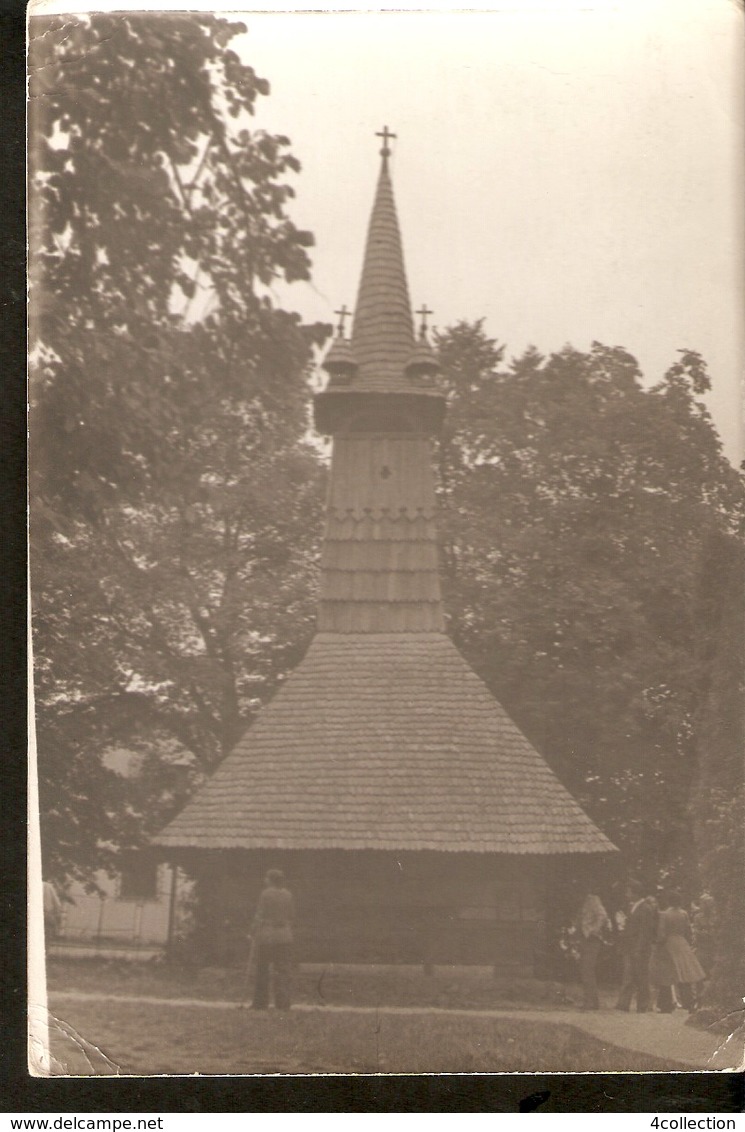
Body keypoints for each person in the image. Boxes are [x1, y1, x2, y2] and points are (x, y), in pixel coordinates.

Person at [653, 890, 706, 1012]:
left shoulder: (664, 914)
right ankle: (690, 1003)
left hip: (668, 944)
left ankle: (666, 1005)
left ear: (668, 901)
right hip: (682, 944)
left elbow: (661, 934)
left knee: (666, 976)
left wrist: (658, 944)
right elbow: (688, 931)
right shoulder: (684, 913)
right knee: (684, 974)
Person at [250, 868, 295, 1011]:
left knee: (262, 969)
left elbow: (260, 914)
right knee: (282, 970)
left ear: (270, 880)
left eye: (266, 878)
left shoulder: (266, 894)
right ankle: (283, 1004)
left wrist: (253, 930)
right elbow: (291, 915)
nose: (265, 880)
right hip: (284, 937)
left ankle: (260, 1003)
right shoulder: (288, 895)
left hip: (267, 937)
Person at [615, 880, 658, 1013]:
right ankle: (623, 1004)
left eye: (629, 891)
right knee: (628, 974)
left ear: (635, 892)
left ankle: (643, 1005)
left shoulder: (645, 908)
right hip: (629, 947)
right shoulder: (631, 907)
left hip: (640, 948)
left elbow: (645, 931)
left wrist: (639, 948)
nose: (627, 894)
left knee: (641, 976)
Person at [577, 891, 611, 1010]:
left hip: (592, 940)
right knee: (585, 970)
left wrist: (593, 930)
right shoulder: (581, 903)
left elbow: (603, 916)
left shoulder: (592, 899)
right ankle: (593, 1001)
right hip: (584, 940)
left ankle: (590, 1002)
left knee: (587, 969)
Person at [692, 893, 717, 978]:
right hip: (702, 945)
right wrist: (704, 933)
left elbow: (717, 929)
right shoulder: (698, 917)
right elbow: (696, 930)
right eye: (703, 903)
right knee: (701, 967)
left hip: (714, 945)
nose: (704, 906)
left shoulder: (715, 916)